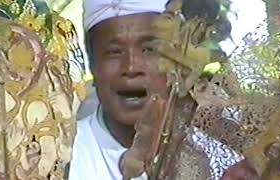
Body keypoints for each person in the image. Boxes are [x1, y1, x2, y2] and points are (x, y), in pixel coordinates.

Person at [68, 0, 259, 179]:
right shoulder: (59, 158)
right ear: (92, 65)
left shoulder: (225, 161)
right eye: (114, 52)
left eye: (150, 49)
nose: (131, 67)